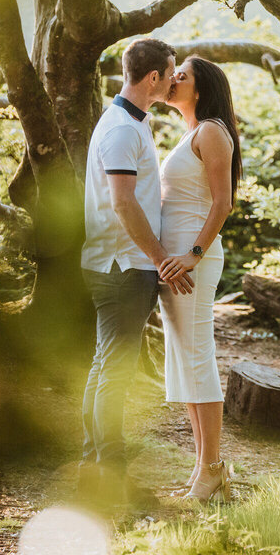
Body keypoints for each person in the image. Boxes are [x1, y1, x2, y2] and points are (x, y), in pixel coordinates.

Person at [79, 38, 193, 505]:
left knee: (104, 366)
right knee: (115, 373)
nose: (173, 82)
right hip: (122, 265)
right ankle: (112, 477)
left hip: (122, 263)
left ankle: (93, 467)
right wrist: (162, 257)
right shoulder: (123, 130)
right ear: (153, 79)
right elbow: (123, 204)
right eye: (170, 74)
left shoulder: (131, 122)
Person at [157, 55, 242, 502]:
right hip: (175, 265)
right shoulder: (191, 132)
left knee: (197, 360)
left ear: (201, 87)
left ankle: (212, 470)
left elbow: (222, 204)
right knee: (185, 363)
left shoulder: (212, 131)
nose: (172, 80)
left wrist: (192, 254)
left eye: (182, 76)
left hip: (193, 263)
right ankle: (204, 472)